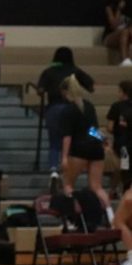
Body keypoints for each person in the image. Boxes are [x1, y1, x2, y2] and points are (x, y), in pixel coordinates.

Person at [59, 75, 112, 217]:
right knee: (97, 187)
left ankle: (72, 217)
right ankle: (110, 216)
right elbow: (93, 129)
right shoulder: (89, 106)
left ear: (65, 92)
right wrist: (103, 140)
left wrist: (64, 157)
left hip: (78, 149)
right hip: (95, 147)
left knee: (68, 184)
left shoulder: (67, 110)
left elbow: (67, 136)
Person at [37, 47, 95, 176]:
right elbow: (91, 85)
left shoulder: (49, 71)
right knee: (71, 138)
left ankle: (53, 169)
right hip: (73, 108)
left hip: (54, 108)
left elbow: (40, 90)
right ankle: (69, 167)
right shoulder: (75, 71)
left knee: (54, 141)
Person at [107, 81, 132, 193]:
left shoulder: (116, 106)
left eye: (119, 91)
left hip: (122, 145)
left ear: (123, 92)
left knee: (122, 168)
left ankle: (114, 191)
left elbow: (110, 127)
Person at [103, 0, 132, 66]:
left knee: (128, 31)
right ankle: (124, 60)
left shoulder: (129, 10)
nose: (122, 1)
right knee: (124, 32)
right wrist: (119, 9)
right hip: (110, 37)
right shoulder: (110, 8)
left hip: (127, 37)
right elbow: (114, 26)